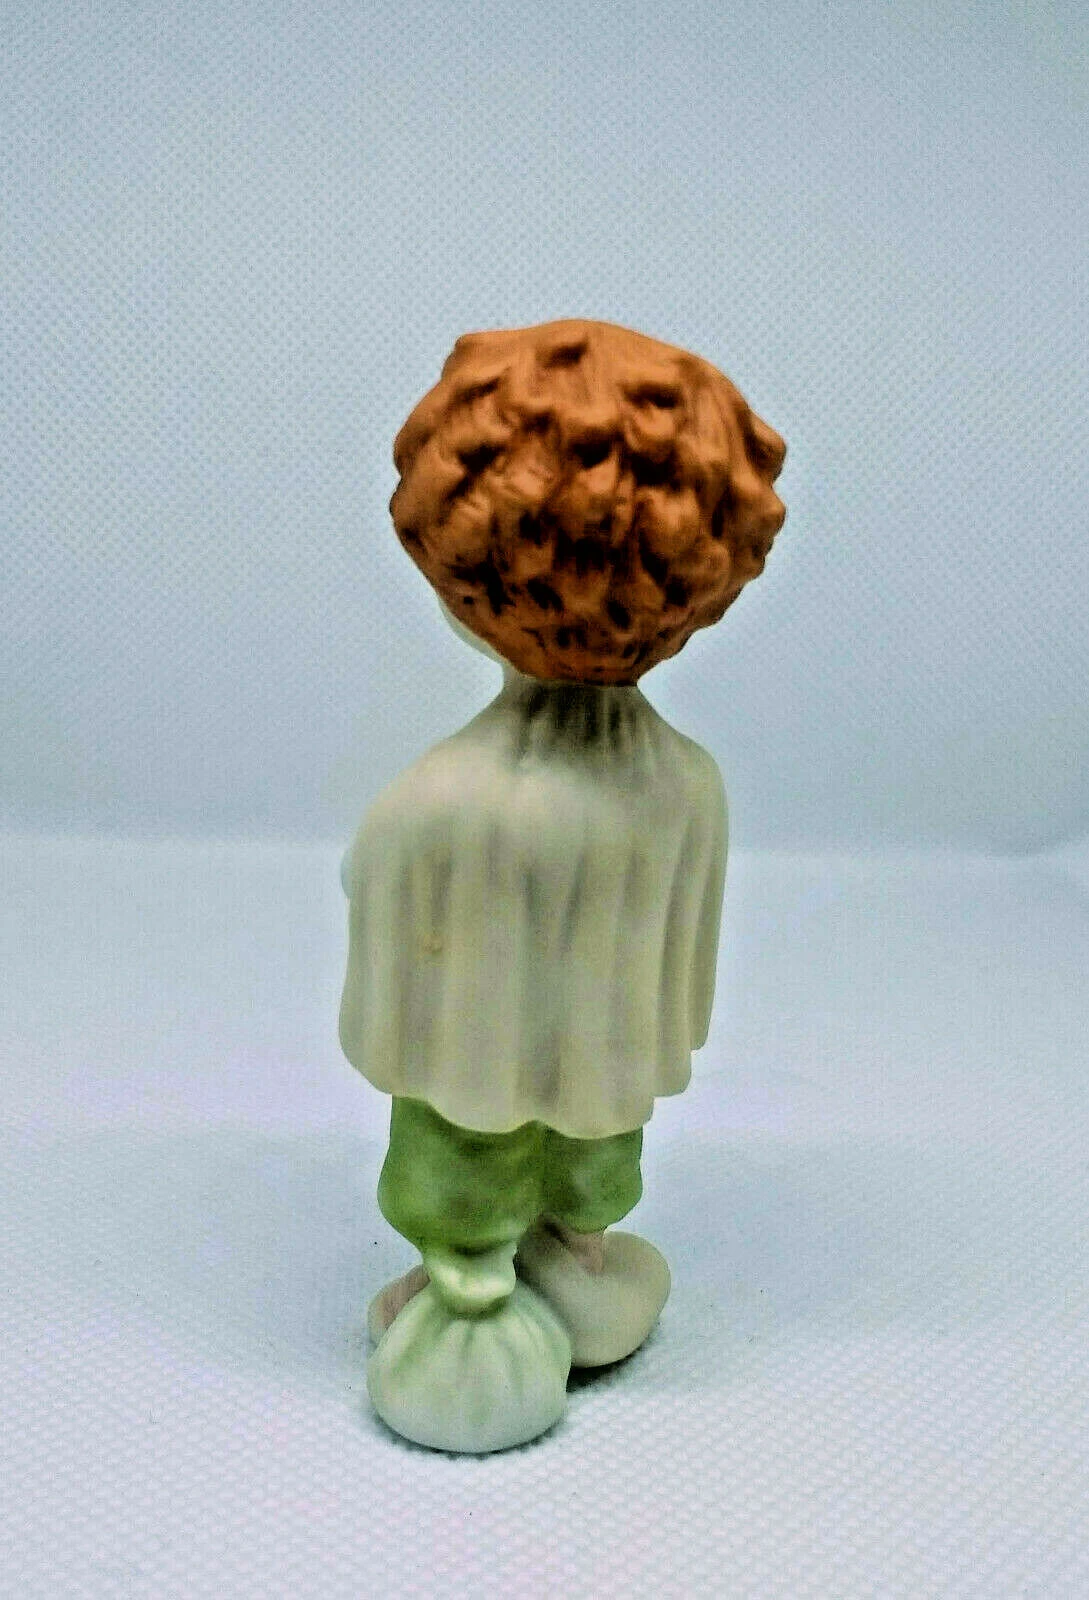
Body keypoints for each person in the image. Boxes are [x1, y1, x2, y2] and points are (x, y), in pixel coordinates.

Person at [339, 318, 786, 1452]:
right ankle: (574, 1255)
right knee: (597, 1142)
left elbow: (390, 1002)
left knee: (460, 1145)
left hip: (462, 1085)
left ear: (462, 571)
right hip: (609, 1074)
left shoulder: (440, 801)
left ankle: (469, 1289)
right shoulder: (688, 784)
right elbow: (680, 985)